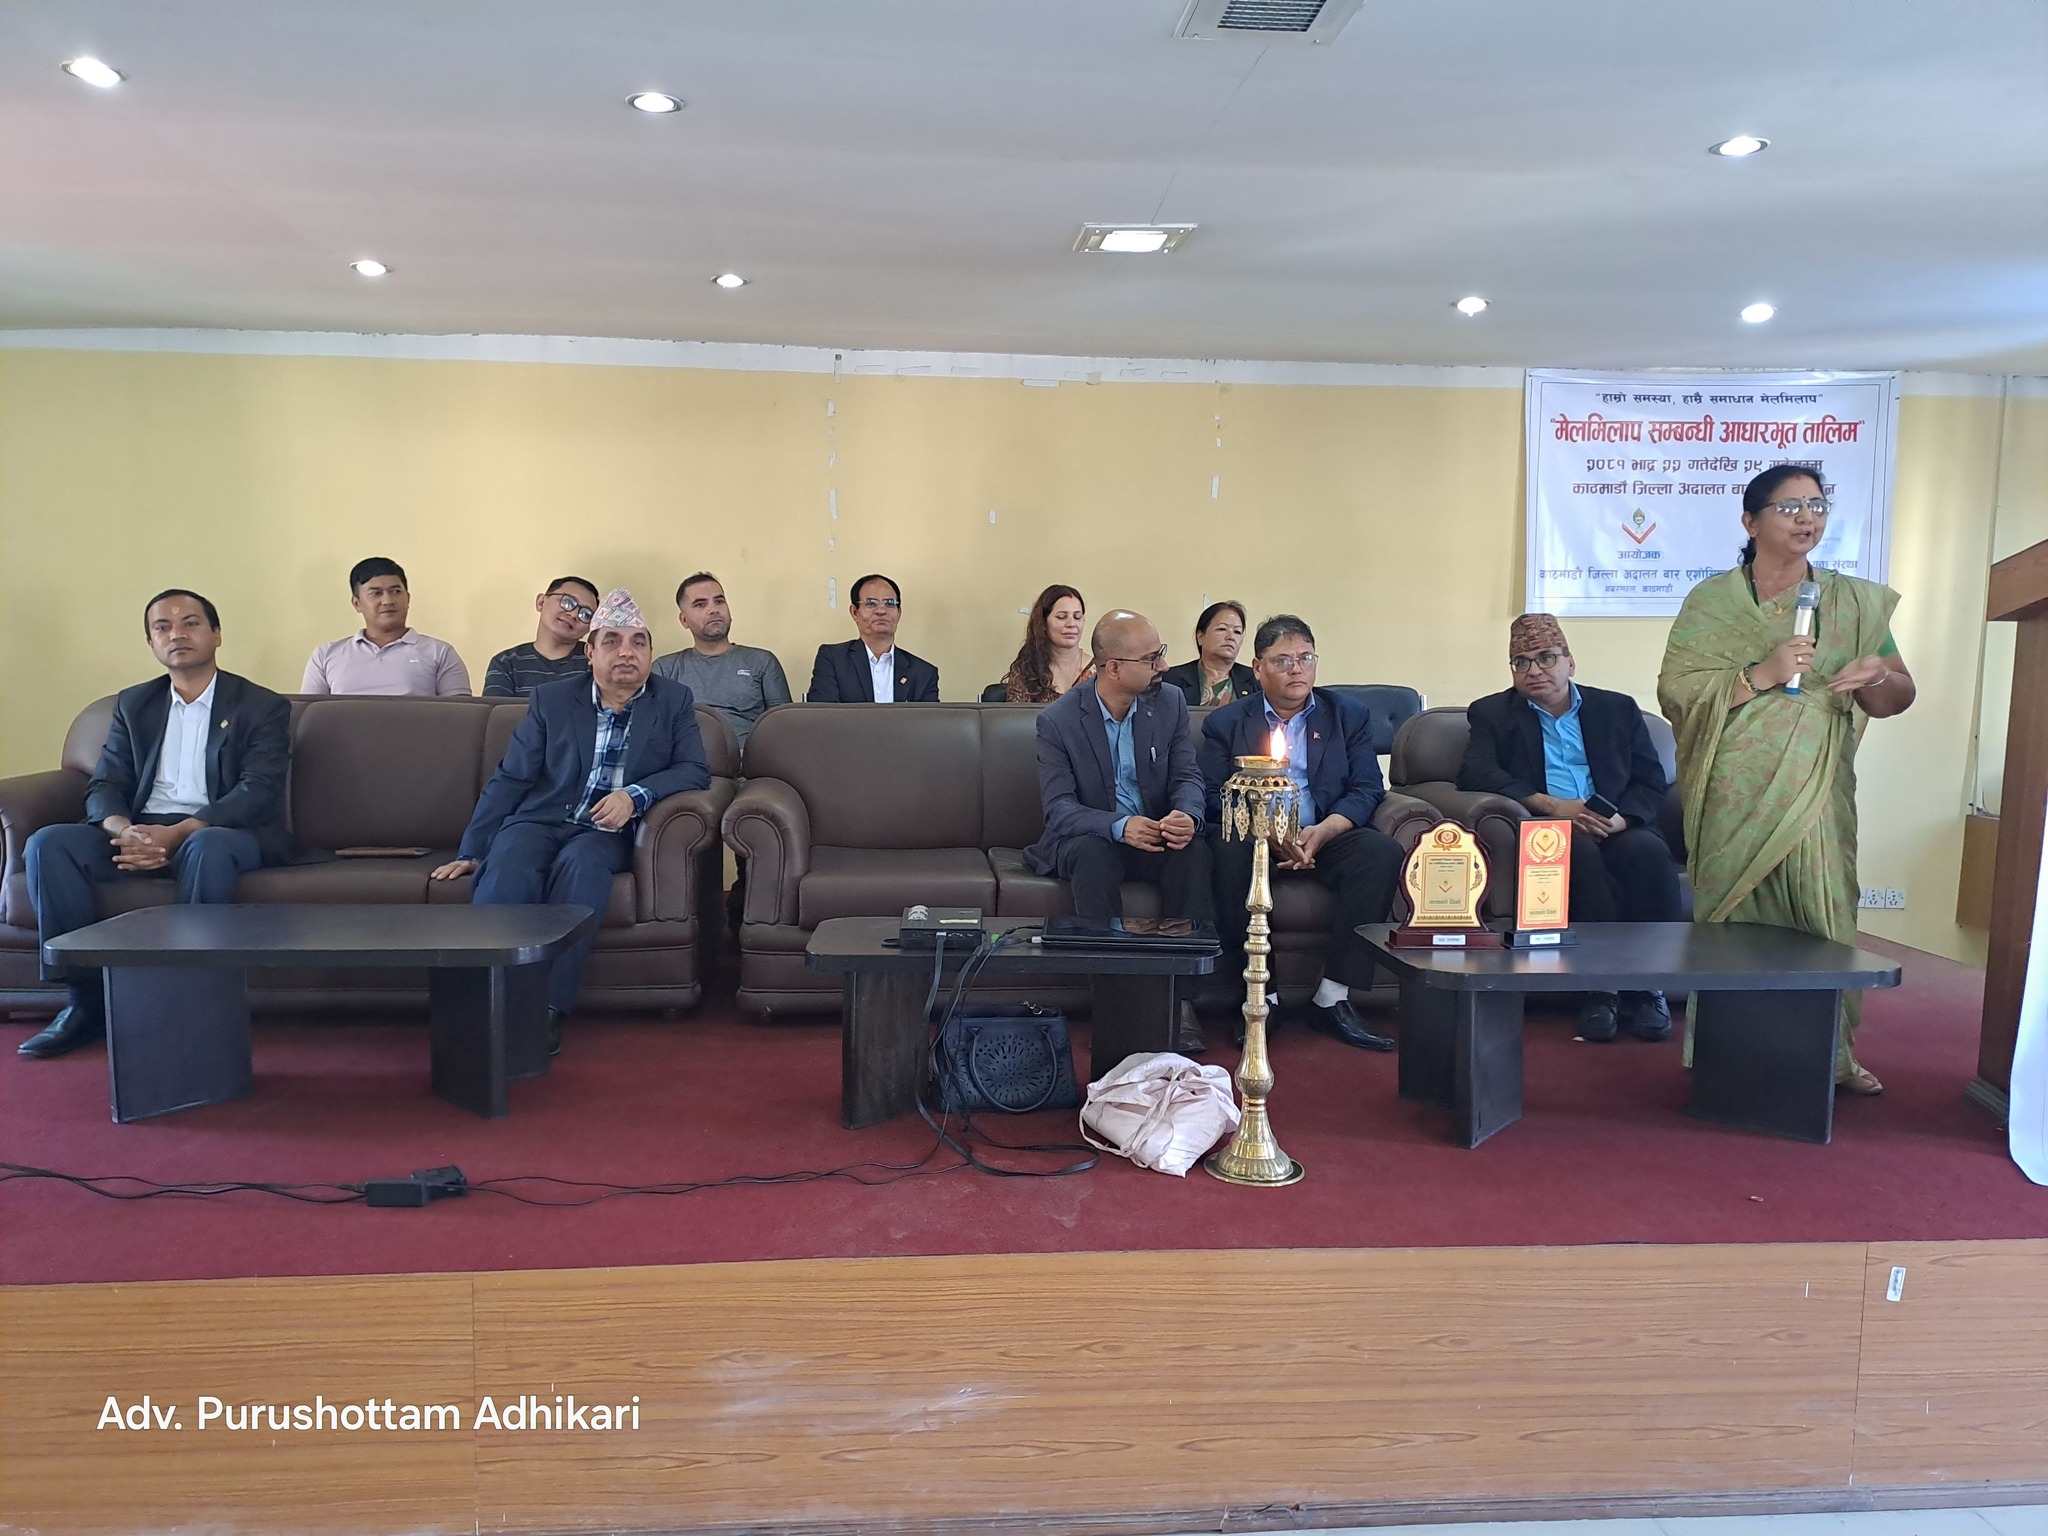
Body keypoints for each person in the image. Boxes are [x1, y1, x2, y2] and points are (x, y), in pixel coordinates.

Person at [1658, 464, 1915, 1097]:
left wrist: (1878, 674)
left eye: (1817, 506)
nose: (1807, 518)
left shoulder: (1854, 603)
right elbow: (1676, 692)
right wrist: (1760, 675)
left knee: (1824, 914)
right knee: (1735, 919)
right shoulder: (1712, 602)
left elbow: (1898, 697)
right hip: (1735, 788)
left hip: (1817, 787)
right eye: (1790, 506)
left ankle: (1831, 1057)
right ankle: (1727, 1053)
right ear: (1750, 522)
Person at [431, 589, 709, 1054]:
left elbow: (694, 769)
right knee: (508, 864)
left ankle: (546, 1007)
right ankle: (488, 999)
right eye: (612, 641)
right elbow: (512, 778)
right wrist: (473, 848)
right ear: (590, 653)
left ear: (650, 653)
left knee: (583, 867)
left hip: (605, 833)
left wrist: (634, 796)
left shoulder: (673, 700)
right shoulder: (553, 700)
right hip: (541, 819)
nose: (627, 652)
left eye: (639, 642)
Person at [19, 590, 291, 1060]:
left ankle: (192, 1002)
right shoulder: (134, 704)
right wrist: (123, 830)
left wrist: (180, 832)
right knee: (50, 843)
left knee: (208, 847)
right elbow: (106, 783)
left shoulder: (260, 705)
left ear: (216, 634)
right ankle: (85, 1002)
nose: (176, 634)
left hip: (223, 831)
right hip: (141, 830)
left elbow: (258, 790)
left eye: (190, 623)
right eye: (162, 627)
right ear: (151, 642)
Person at [1459, 612, 1684, 1043]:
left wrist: (1621, 818)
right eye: (1521, 662)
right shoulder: (1492, 713)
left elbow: (1651, 779)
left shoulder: (1616, 709)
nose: (1534, 670)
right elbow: (1477, 772)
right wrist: (1551, 806)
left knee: (1648, 854)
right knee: (1575, 855)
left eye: (1546, 657)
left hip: (1616, 822)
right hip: (1550, 828)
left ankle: (1650, 986)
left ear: (1570, 663)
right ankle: (1601, 989)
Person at [1200, 615, 1404, 1051]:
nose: (1297, 669)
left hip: (1324, 832)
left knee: (1380, 852)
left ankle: (1333, 996)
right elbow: (1214, 795)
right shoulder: (1226, 723)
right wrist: (1268, 833)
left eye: (1305, 658)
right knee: (1226, 849)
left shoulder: (1347, 715)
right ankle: (1263, 995)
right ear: (1258, 668)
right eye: (1283, 660)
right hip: (1256, 837)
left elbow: (1368, 787)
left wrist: (1326, 830)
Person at [1023, 610, 1214, 1052]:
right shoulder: (1058, 721)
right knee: (1093, 855)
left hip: (1155, 832)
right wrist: (1119, 826)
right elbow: (1060, 809)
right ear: (1112, 668)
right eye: (1152, 658)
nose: (1164, 666)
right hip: (1094, 838)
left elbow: (1187, 776)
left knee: (1194, 851)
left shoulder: (1169, 703)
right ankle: (1113, 1003)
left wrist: (1186, 815)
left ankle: (1181, 1003)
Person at [652, 572, 791, 750]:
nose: (713, 610)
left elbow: (784, 728)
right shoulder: (665, 669)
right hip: (688, 761)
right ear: (684, 620)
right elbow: (653, 732)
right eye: (700, 604)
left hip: (749, 763)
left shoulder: (762, 662)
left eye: (719, 601)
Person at [302, 557, 471, 696]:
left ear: (408, 598)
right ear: (357, 603)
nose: (387, 601)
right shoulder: (325, 656)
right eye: (376, 593)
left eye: (396, 591)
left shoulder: (440, 653)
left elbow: (461, 716)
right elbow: (308, 715)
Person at [807, 573, 940, 702]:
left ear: (899, 613)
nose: (881, 611)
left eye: (889, 603)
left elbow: (929, 718)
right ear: (855, 612)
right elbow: (823, 714)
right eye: (871, 603)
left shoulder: (923, 673)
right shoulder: (833, 660)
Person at [482, 576, 599, 697]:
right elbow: (499, 709)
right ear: (541, 602)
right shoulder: (506, 663)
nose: (573, 614)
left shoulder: (596, 661)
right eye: (567, 603)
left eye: (586, 614)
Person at [1000, 585, 1094, 702]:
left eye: (1077, 617)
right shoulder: (1027, 670)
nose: (1071, 624)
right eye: (1061, 617)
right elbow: (1018, 713)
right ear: (1043, 623)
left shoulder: (1100, 671)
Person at [1161, 601, 1257, 708]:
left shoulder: (1256, 680)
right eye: (1222, 629)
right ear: (1200, 637)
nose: (1231, 637)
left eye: (1237, 632)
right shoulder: (1171, 679)